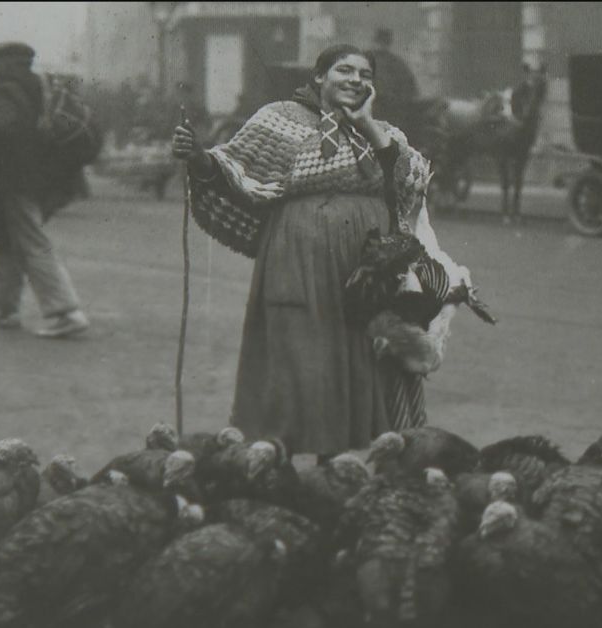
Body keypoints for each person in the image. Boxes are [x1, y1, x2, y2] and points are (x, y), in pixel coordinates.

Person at [171, 44, 452, 459]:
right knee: (303, 352)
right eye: (345, 70)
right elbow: (235, 172)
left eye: (365, 74)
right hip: (300, 259)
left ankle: (336, 461)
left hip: (367, 268)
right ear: (320, 76)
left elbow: (408, 184)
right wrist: (197, 158)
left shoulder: (383, 132)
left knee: (362, 354)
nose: (356, 80)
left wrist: (366, 124)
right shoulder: (279, 119)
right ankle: (280, 456)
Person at [0, 41, 90, 338]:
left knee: (32, 241)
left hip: (11, 178)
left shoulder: (7, 90)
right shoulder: (36, 86)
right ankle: (2, 308)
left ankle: (66, 312)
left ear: (7, 64)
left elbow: (1, 129)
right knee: (7, 238)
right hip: (32, 176)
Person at [368, 28, 418, 131]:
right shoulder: (397, 63)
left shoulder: (363, 60)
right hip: (391, 116)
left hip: (373, 113)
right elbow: (411, 91)